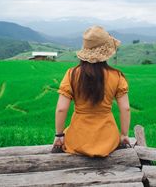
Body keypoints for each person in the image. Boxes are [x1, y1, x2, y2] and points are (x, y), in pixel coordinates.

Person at [52, 25, 131, 157]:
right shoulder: (117, 76)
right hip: (108, 140)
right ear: (106, 53)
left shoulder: (72, 74)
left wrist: (59, 135)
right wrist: (124, 135)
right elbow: (126, 108)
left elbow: (61, 109)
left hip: (77, 140)